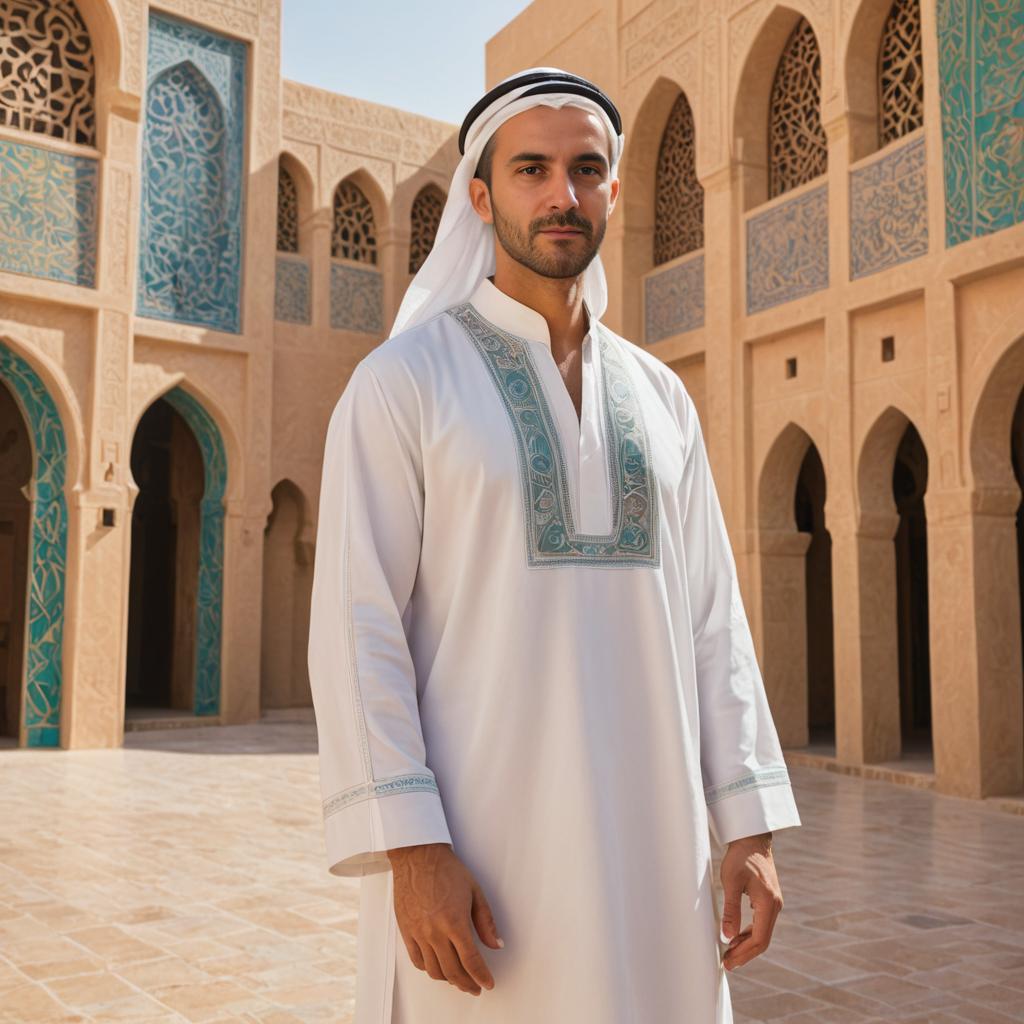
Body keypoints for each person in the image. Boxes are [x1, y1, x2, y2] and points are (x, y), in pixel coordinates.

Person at [307, 67, 802, 1024]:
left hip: (658, 862)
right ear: (483, 196)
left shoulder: (662, 397)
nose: (561, 194)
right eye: (532, 169)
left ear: (615, 190)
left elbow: (713, 621)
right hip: (482, 872)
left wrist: (747, 824)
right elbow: (356, 626)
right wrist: (413, 850)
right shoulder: (402, 384)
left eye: (586, 169)